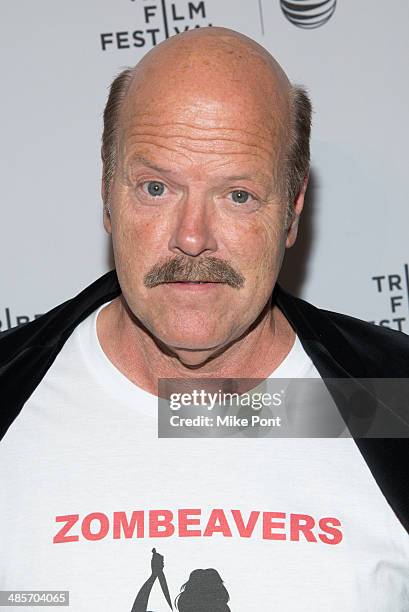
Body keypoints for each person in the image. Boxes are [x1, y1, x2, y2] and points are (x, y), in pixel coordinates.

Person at [1, 26, 409, 611]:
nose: (192, 237)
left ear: (292, 211)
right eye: (156, 187)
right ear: (107, 195)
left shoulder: (391, 401)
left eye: (238, 195)